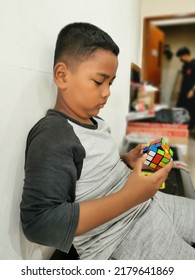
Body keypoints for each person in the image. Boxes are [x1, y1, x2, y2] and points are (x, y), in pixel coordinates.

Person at [20, 23, 195, 260]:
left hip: (145, 203)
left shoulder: (95, 121)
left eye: (110, 83)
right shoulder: (52, 136)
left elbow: (87, 167)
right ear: (62, 76)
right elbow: (39, 224)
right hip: (118, 234)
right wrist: (130, 197)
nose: (107, 92)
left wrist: (125, 159)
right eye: (98, 81)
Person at [176, 47, 195, 133]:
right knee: (180, 108)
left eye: (181, 57)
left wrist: (193, 91)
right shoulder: (184, 66)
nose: (180, 59)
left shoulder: (194, 63)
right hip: (184, 91)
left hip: (192, 92)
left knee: (191, 110)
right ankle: (181, 128)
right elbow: (184, 78)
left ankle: (189, 128)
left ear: (186, 55)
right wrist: (180, 89)